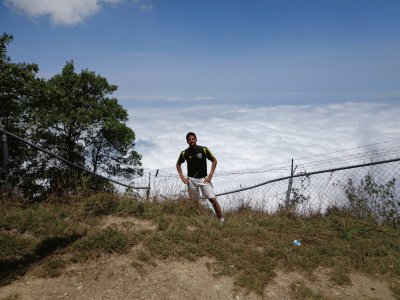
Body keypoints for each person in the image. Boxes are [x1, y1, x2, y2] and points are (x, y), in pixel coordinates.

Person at [176, 132, 224, 223]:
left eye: (193, 139)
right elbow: (178, 164)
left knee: (212, 199)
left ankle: (221, 220)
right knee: (194, 202)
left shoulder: (203, 149)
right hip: (191, 180)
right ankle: (198, 220)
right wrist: (183, 178)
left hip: (204, 179)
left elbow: (214, 160)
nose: (191, 140)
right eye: (189, 139)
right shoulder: (184, 153)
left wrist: (210, 176)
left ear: (196, 139)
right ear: (187, 141)